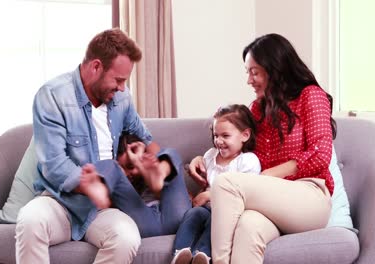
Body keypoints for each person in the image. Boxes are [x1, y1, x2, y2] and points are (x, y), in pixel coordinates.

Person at [15, 28, 160, 264]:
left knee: (126, 238)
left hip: (101, 209)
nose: (122, 88)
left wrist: (159, 164)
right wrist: (88, 183)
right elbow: (53, 163)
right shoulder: (53, 96)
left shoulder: (122, 99)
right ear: (95, 67)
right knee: (30, 220)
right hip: (59, 201)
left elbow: (144, 136)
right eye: (119, 79)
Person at [189, 33, 336, 264]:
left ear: (275, 70)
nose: (249, 80)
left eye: (254, 72)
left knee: (227, 183)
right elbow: (237, 146)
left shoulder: (310, 96)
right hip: (267, 204)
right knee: (248, 227)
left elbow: (321, 154)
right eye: (247, 72)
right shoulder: (256, 110)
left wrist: (268, 176)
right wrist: (204, 158)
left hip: (310, 198)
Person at [170, 104, 261, 264]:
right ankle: (179, 255)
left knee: (216, 221)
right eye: (215, 135)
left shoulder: (248, 161)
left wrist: (209, 194)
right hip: (205, 208)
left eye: (225, 136)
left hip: (229, 212)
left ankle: (203, 255)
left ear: (245, 135)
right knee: (193, 214)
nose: (218, 141)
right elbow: (203, 180)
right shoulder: (210, 155)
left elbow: (245, 193)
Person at [77, 132, 191, 238]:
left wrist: (140, 164)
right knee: (112, 166)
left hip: (176, 218)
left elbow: (182, 197)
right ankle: (99, 184)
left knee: (171, 152)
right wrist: (123, 169)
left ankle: (160, 175)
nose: (127, 174)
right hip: (143, 223)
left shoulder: (151, 164)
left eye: (130, 167)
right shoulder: (120, 185)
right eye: (123, 169)